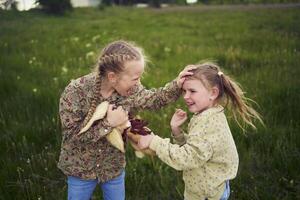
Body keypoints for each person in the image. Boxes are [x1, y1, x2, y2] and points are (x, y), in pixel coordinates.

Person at [57, 40, 195, 200]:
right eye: (135, 78)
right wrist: (109, 123)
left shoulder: (131, 90)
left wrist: (177, 84)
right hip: (79, 169)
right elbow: (73, 137)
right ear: (112, 77)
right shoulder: (75, 92)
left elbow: (153, 99)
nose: (138, 83)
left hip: (113, 167)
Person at [130, 62, 263, 200]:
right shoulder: (210, 114)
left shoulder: (208, 123)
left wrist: (154, 141)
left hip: (207, 194)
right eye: (184, 91)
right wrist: (177, 132)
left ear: (213, 93)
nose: (186, 96)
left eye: (192, 91)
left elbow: (186, 158)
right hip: (209, 186)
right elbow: (198, 148)